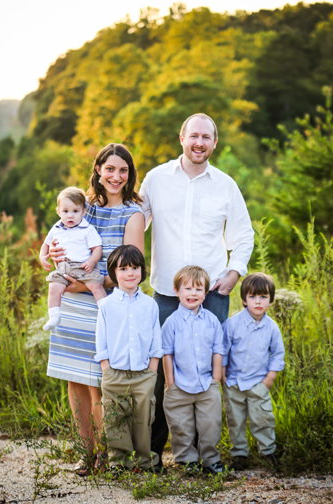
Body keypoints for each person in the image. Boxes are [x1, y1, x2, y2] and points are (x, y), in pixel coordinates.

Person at [139, 113, 254, 464]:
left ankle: (208, 455)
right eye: (194, 136)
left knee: (207, 372)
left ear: (215, 142)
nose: (199, 143)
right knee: (158, 374)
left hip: (212, 295)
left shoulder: (225, 185)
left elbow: (243, 236)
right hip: (164, 293)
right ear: (182, 137)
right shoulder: (156, 179)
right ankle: (155, 452)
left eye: (207, 137)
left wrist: (234, 273)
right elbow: (134, 221)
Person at [44, 144, 145, 475]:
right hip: (71, 303)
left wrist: (85, 282)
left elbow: (131, 270)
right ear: (98, 170)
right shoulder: (80, 208)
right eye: (110, 169)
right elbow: (55, 245)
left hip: (104, 305)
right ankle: (84, 452)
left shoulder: (133, 214)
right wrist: (50, 260)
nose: (116, 176)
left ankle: (106, 453)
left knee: (97, 381)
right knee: (73, 380)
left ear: (130, 175)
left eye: (124, 170)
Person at [95, 245, 163, 472]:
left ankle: (144, 462)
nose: (130, 273)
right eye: (123, 268)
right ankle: (119, 462)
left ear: (142, 271)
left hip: (144, 374)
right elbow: (101, 339)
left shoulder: (150, 305)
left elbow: (156, 339)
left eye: (135, 267)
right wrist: (106, 368)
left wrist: (153, 370)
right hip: (114, 372)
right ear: (114, 272)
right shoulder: (106, 305)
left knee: (143, 419)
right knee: (114, 419)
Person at [162, 266, 224, 474]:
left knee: (210, 424)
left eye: (198, 290)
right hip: (179, 384)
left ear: (206, 294)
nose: (192, 294)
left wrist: (216, 379)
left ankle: (211, 459)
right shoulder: (172, 323)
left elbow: (217, 351)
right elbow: (167, 354)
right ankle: (187, 460)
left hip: (207, 384)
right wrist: (170, 384)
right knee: (181, 426)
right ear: (176, 290)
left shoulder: (212, 321)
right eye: (187, 288)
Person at [221, 273, 285, 470]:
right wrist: (222, 375)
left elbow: (277, 354)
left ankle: (268, 451)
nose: (258, 301)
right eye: (253, 297)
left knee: (263, 419)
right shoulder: (232, 324)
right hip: (233, 383)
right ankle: (239, 454)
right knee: (235, 421)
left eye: (263, 297)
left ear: (270, 300)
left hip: (259, 383)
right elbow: (223, 350)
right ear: (243, 299)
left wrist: (269, 379)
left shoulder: (272, 328)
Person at [39, 187, 106, 331]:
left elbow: (97, 248)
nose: (70, 216)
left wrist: (92, 262)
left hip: (83, 266)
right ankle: (54, 316)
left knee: (96, 285)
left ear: (83, 212)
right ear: (58, 211)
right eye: (65, 211)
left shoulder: (87, 229)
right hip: (64, 267)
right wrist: (42, 257)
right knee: (54, 287)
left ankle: (106, 311)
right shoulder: (56, 228)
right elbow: (45, 244)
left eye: (75, 211)